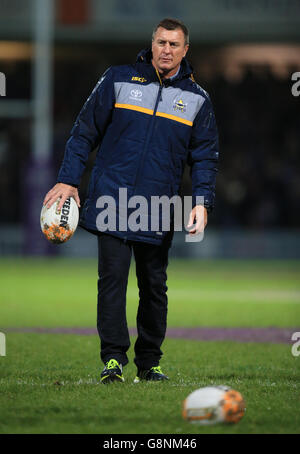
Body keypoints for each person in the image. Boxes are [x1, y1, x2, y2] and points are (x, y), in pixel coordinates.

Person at [44, 18, 219, 384]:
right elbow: (83, 132)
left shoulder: (198, 99)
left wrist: (202, 201)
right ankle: (112, 360)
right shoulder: (118, 79)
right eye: (161, 42)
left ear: (185, 50)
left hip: (159, 207)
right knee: (112, 281)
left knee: (154, 286)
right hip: (112, 199)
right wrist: (67, 179)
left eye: (174, 44)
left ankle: (150, 363)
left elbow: (205, 156)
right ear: (151, 44)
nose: (166, 50)